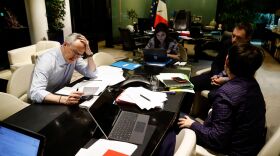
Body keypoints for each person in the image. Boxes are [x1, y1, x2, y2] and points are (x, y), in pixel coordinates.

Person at [178, 43, 266, 155]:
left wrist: (192, 124)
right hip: (248, 146)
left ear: (227, 62)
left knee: (176, 118)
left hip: (229, 150)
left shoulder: (226, 94)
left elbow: (216, 140)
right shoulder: (253, 84)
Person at [28, 33, 96, 105]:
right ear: (65, 44)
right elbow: (36, 92)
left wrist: (89, 54)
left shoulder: (75, 57)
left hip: (61, 95)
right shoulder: (46, 60)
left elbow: (91, 74)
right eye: (75, 52)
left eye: (80, 54)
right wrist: (63, 99)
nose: (76, 57)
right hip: (42, 102)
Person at [191, 22, 253, 94]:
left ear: (248, 38)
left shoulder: (251, 54)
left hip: (233, 84)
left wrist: (224, 80)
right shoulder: (228, 43)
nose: (234, 40)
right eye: (233, 36)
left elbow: (244, 79)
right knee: (188, 85)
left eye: (238, 38)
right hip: (217, 76)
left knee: (216, 97)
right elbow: (216, 63)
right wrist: (215, 75)